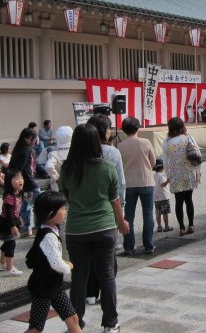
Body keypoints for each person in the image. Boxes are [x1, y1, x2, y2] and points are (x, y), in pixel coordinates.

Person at [59, 123, 129, 333]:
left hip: (76, 229)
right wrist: (121, 222)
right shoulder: (106, 167)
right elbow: (115, 199)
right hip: (104, 227)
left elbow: (66, 197)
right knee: (106, 275)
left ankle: (76, 323)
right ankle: (110, 323)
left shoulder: (67, 169)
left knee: (79, 278)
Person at [24, 191, 81, 333]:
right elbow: (56, 263)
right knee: (36, 328)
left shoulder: (51, 229)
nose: (65, 211)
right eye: (62, 208)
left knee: (72, 318)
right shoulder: (48, 236)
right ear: (50, 213)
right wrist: (67, 266)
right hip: (43, 288)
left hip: (54, 286)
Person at [117, 116, 156, 255]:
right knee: (148, 214)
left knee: (128, 216)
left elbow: (119, 166)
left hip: (128, 183)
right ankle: (148, 245)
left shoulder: (120, 146)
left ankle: (129, 246)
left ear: (123, 129)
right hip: (146, 180)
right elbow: (153, 162)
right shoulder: (146, 142)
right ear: (138, 128)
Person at [162, 117, 201, 236]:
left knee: (178, 201)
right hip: (188, 172)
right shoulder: (188, 137)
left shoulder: (166, 142)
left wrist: (168, 176)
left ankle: (181, 228)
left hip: (175, 173)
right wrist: (198, 171)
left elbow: (165, 161)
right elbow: (197, 154)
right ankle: (191, 225)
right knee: (189, 199)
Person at [0, 169, 25, 276]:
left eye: (21, 178)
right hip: (7, 223)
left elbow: (17, 209)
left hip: (12, 221)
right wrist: (13, 226)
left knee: (7, 243)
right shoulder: (9, 196)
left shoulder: (19, 193)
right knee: (11, 244)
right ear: (9, 182)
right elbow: (9, 213)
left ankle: (1, 262)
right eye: (16, 179)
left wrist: (19, 217)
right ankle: (9, 268)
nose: (20, 180)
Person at [9, 128, 40, 238]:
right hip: (29, 182)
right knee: (39, 204)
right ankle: (37, 227)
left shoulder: (17, 149)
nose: (33, 141)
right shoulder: (27, 150)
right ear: (25, 138)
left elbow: (13, 167)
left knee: (25, 206)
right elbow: (20, 168)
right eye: (32, 138)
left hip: (22, 184)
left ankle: (25, 229)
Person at [44, 126, 72, 192]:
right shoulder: (76, 153)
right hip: (73, 187)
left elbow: (48, 167)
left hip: (59, 188)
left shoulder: (54, 154)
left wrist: (57, 178)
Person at [152, 159, 173, 233]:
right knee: (165, 213)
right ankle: (166, 226)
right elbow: (162, 184)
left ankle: (159, 226)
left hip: (156, 198)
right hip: (164, 197)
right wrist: (168, 181)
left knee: (158, 213)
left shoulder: (154, 176)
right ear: (162, 167)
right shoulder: (161, 176)